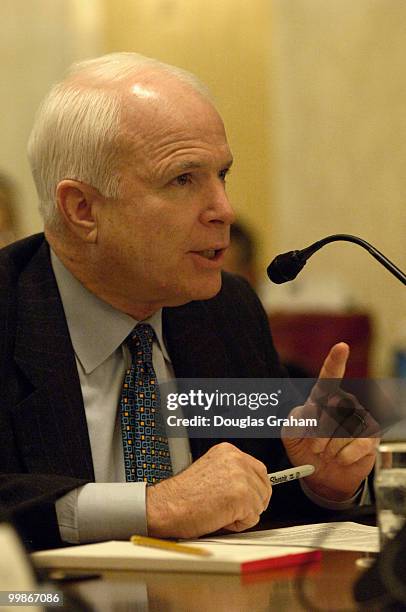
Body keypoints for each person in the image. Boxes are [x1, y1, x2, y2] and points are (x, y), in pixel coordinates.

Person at [0, 53, 376, 550]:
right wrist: (150, 508)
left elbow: (250, 509)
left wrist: (322, 482)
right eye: (183, 179)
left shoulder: (225, 312)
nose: (224, 209)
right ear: (82, 209)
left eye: (222, 175)